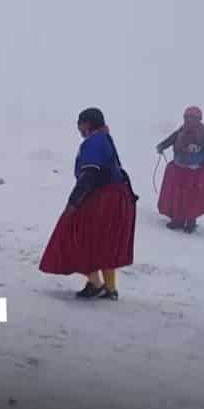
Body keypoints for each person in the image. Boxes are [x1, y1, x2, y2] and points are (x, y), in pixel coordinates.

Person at [40, 107, 138, 300]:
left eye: (79, 124)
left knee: (77, 236)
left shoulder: (93, 142)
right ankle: (110, 288)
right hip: (116, 197)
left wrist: (74, 202)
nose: (78, 128)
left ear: (86, 124)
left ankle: (95, 283)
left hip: (102, 197)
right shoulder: (105, 138)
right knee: (104, 242)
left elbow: (89, 173)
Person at [156, 106, 204, 233]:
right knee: (178, 196)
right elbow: (172, 139)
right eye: (187, 117)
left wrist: (197, 155)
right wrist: (162, 146)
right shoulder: (182, 130)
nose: (189, 120)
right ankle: (177, 220)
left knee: (191, 198)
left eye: (192, 117)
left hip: (194, 173)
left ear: (199, 119)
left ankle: (190, 222)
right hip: (179, 169)